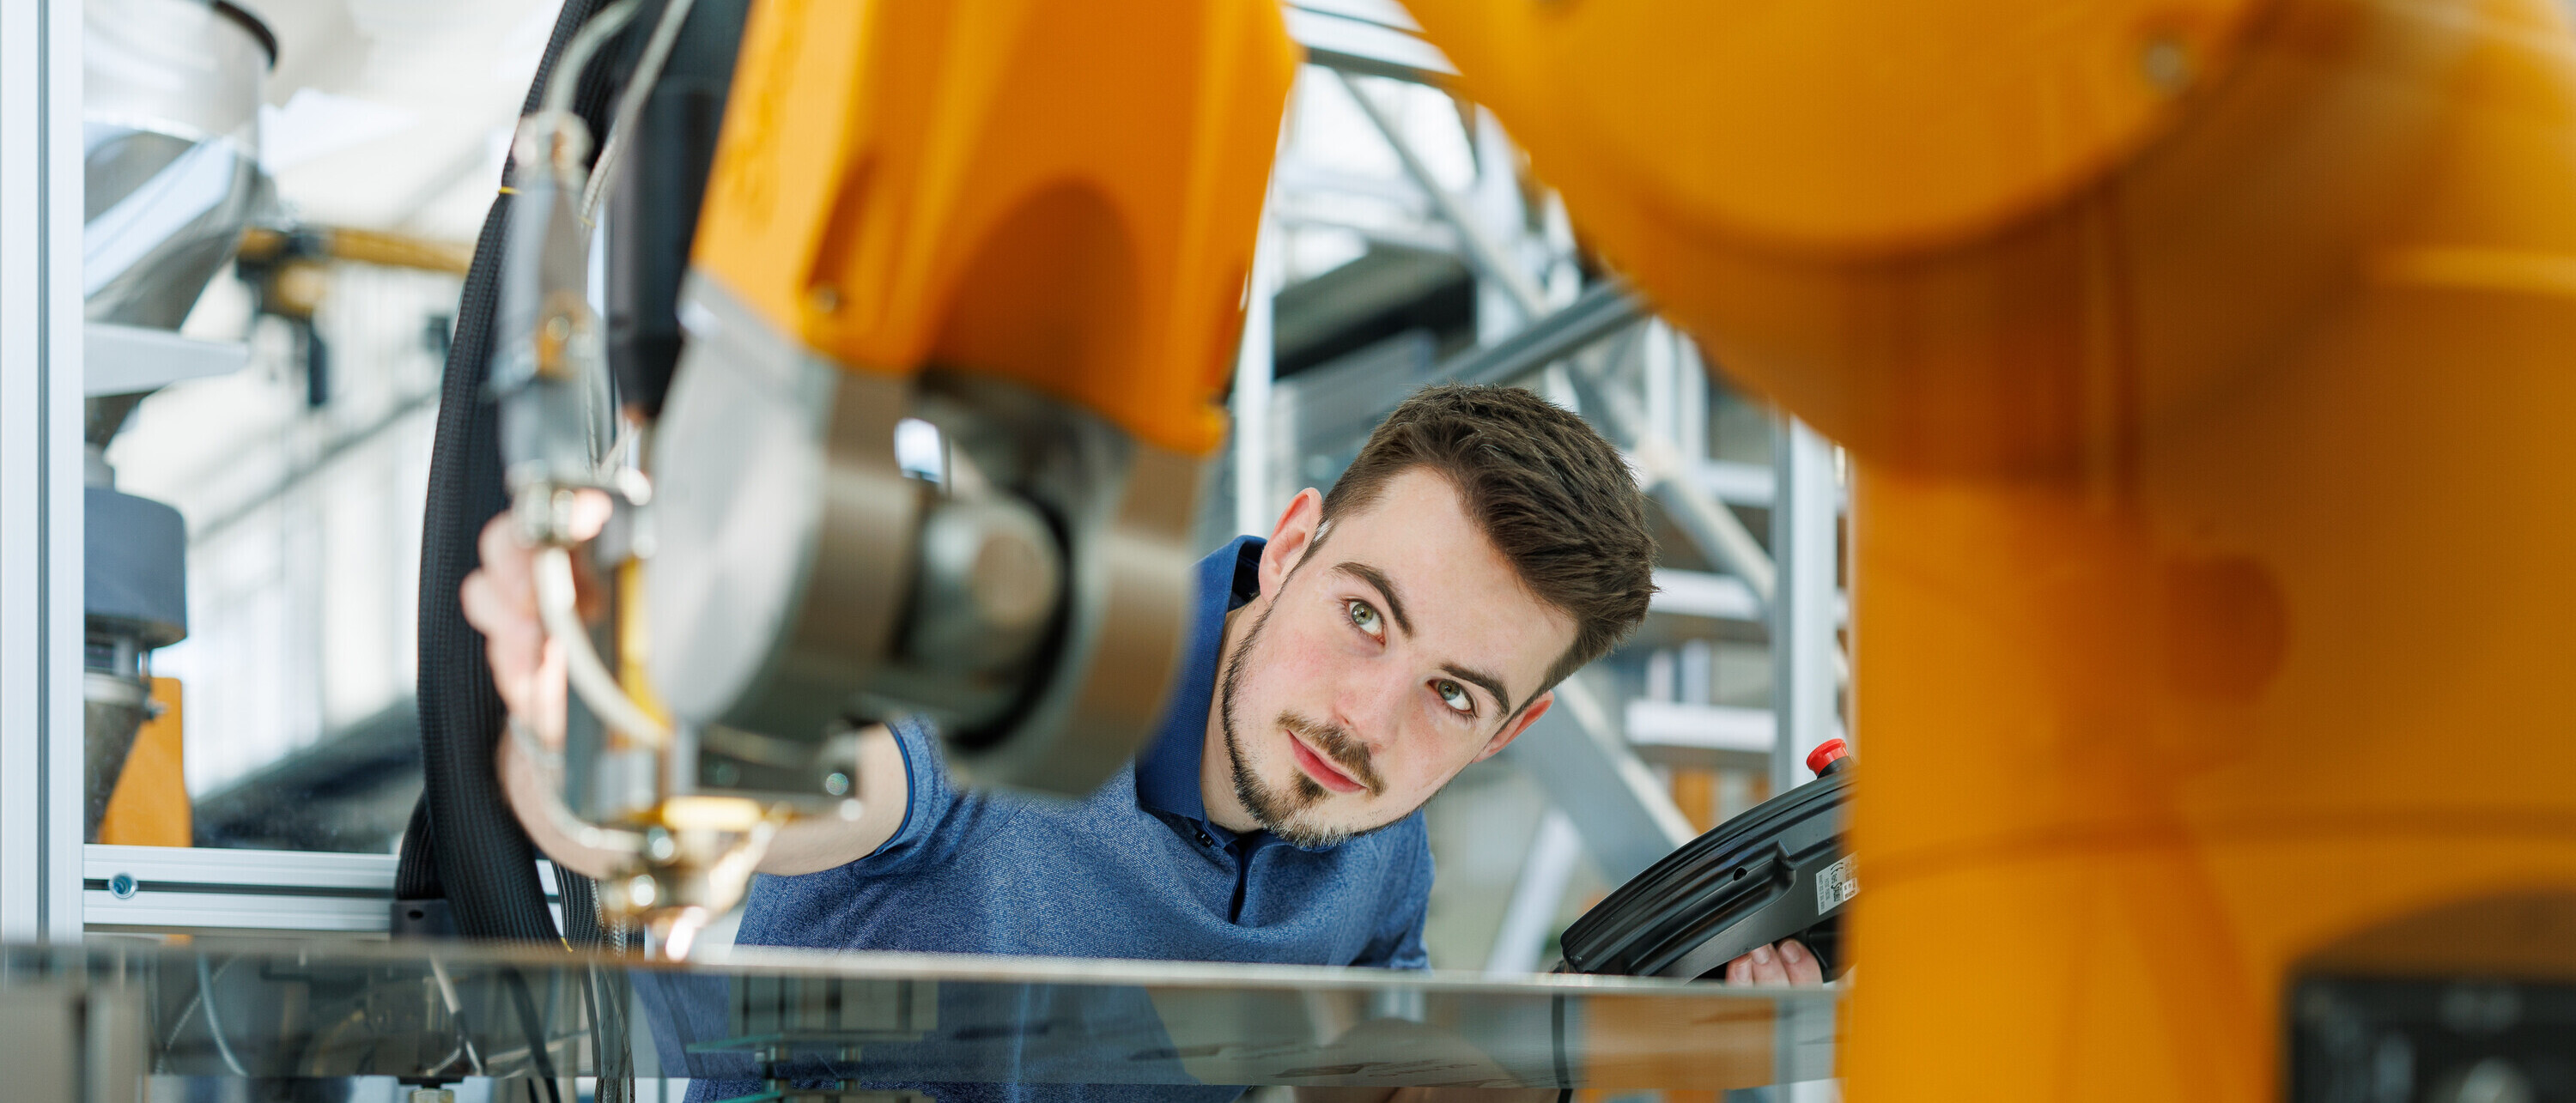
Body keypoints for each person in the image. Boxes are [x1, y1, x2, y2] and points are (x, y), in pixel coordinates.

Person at [463, 383, 1813, 1100]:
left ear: (1517, 727)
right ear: (1291, 542)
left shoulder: (1374, 843)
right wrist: (593, 725)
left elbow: (1379, 1089)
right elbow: (751, 792)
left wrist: (1666, 1052)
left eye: (1456, 696)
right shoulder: (1023, 666)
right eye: (1363, 614)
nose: (1367, 715)